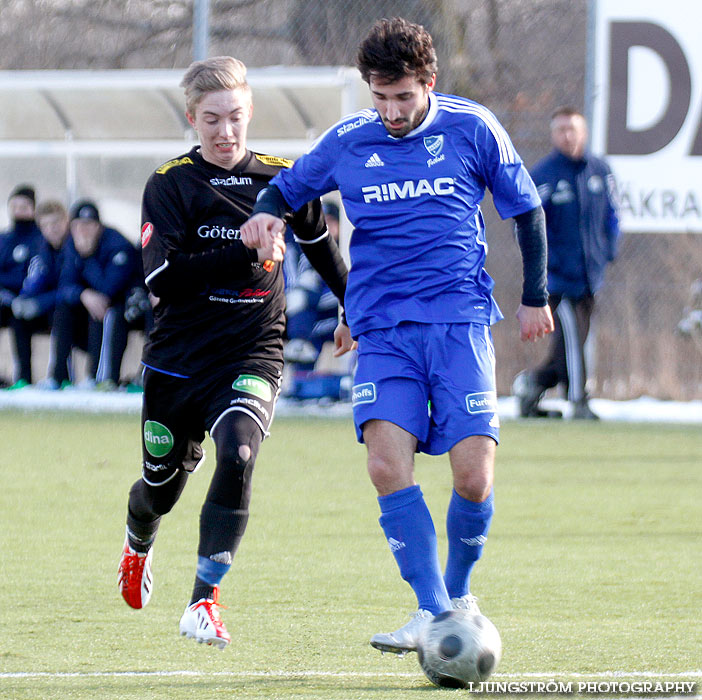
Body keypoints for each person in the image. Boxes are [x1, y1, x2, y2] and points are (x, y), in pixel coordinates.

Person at [241, 17, 553, 655]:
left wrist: (534, 297)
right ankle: (431, 609)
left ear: (428, 83)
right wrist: (266, 216)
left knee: (473, 478)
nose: (390, 112)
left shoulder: (472, 126)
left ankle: (459, 593)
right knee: (385, 466)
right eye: (379, 98)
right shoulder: (350, 140)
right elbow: (286, 187)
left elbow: (526, 209)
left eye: (403, 97)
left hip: (460, 321)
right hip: (382, 328)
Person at [116, 56, 348, 649]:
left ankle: (203, 601)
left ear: (250, 115)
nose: (226, 132)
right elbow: (163, 279)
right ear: (192, 119)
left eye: (236, 118)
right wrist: (248, 251)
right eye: (212, 119)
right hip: (177, 360)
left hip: (252, 351)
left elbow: (320, 245)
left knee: (240, 453)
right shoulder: (169, 184)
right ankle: (138, 542)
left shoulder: (283, 178)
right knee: (159, 489)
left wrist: (354, 305)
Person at [513, 106, 619, 420]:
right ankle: (579, 401)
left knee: (571, 343)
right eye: (561, 129)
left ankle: (531, 386)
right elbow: (526, 224)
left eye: (573, 129)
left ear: (584, 132)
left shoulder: (599, 171)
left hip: (589, 275)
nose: (567, 135)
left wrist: (606, 251)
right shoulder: (544, 175)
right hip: (557, 278)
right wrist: (546, 263)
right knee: (574, 340)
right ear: (553, 134)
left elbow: (612, 217)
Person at [48, 199, 140, 390]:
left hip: (121, 305)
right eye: (78, 225)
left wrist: (88, 257)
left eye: (89, 225)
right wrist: (82, 294)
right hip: (87, 305)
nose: (83, 231)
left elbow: (109, 288)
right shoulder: (71, 244)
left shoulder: (117, 244)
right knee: (63, 309)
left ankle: (101, 377)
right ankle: (58, 378)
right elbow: (65, 284)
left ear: (99, 226)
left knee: (104, 310)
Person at [284, 200, 352, 400]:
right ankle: (300, 386)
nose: (328, 228)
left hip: (344, 314)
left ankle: (349, 385)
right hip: (318, 320)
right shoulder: (303, 248)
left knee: (304, 299)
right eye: (324, 222)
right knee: (300, 303)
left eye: (332, 222)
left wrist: (311, 295)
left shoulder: (349, 248)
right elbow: (292, 287)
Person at [10, 199, 71, 388]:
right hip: (50, 306)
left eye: (55, 223)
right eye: (45, 225)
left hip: (74, 310)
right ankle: (23, 379)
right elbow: (34, 281)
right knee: (18, 318)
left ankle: (60, 378)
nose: (51, 229)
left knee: (62, 313)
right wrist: (24, 299)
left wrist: (39, 303)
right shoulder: (41, 248)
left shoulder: (73, 246)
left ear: (65, 222)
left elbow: (68, 289)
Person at [0, 184, 43, 388]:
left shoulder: (40, 240)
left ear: (33, 209)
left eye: (24, 205)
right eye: (14, 205)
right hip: (4, 300)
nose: (19, 210)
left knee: (20, 318)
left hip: (32, 301)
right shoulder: (4, 239)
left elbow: (29, 276)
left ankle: (24, 379)